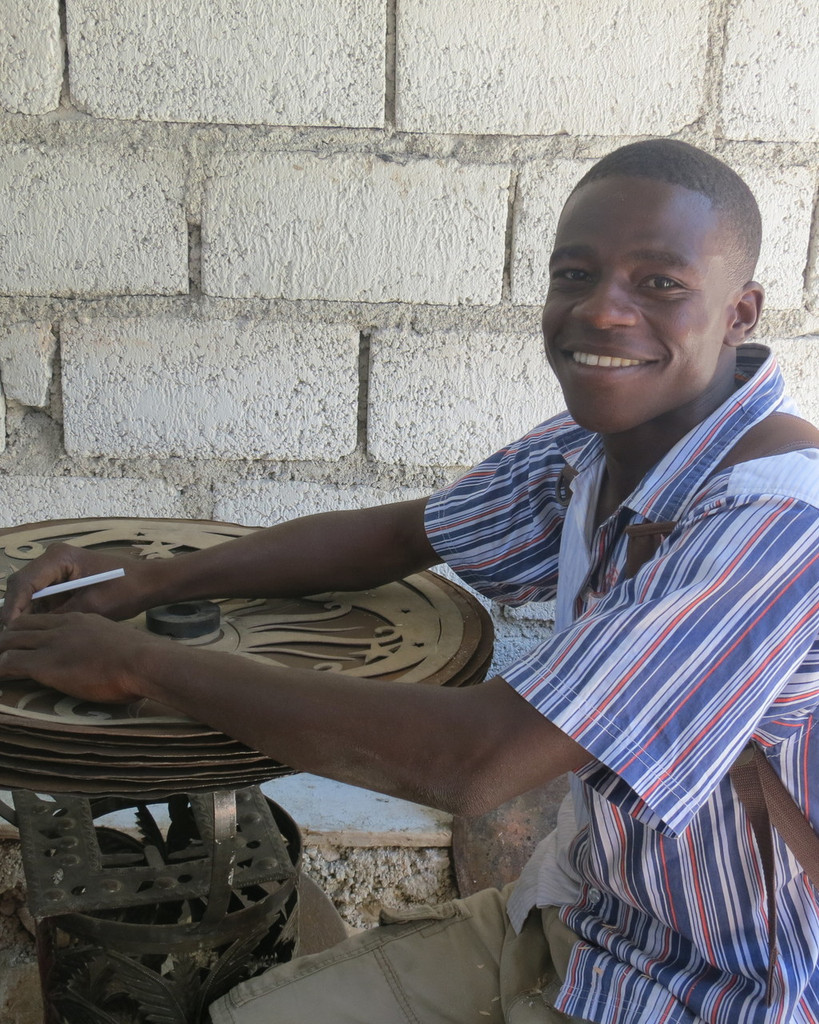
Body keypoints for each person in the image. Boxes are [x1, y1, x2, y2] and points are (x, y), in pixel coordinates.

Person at [1, 138, 818, 1024]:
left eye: (658, 283)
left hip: (729, 987)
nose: (602, 313)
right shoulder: (596, 450)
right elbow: (401, 534)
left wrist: (140, 666)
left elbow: (475, 762)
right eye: (574, 273)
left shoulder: (775, 526)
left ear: (739, 312)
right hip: (584, 918)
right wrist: (151, 580)